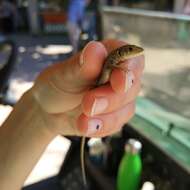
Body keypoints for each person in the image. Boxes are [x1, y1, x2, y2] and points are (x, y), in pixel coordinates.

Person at [0, 39, 144, 190]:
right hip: (99, 87)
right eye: (132, 50)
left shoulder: (116, 58)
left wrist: (40, 112)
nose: (136, 51)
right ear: (125, 52)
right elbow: (110, 66)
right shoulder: (114, 59)